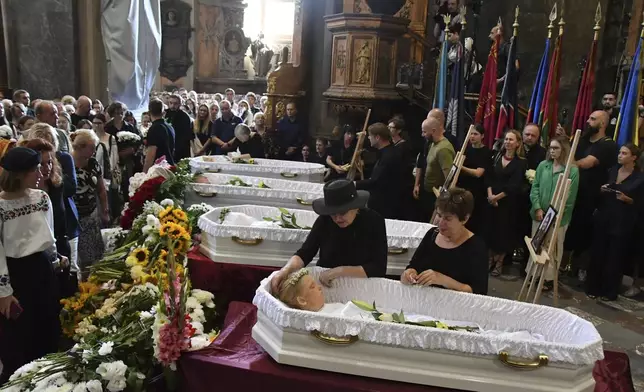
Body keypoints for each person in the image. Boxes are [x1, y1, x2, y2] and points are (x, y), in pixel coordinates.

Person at [0, 147, 62, 382]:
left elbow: (49, 235)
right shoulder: (1, 206)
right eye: (35, 169)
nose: (41, 173)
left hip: (42, 268)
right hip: (15, 273)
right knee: (19, 336)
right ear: (19, 174)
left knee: (47, 324)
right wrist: (4, 292)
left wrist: (55, 262)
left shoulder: (41, 198)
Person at [270, 180, 387, 293]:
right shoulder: (325, 220)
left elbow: (378, 268)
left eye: (342, 213)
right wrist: (285, 270)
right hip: (326, 285)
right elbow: (305, 253)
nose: (337, 218)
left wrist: (339, 271)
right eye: (333, 213)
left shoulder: (374, 221)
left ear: (355, 207)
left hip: (362, 287)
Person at [401, 188, 488, 295]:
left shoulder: (476, 247)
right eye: (439, 215)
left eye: (448, 218)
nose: (440, 223)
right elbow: (413, 266)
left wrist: (442, 279)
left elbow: (478, 292)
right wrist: (409, 273)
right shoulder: (431, 235)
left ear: (464, 219)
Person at [586, 143, 644, 301]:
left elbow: (640, 203)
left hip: (622, 222)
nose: (620, 155)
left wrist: (628, 199)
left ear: (634, 157)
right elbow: (601, 191)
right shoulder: (612, 170)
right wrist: (602, 190)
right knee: (598, 253)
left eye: (624, 153)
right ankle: (593, 287)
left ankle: (609, 291)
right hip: (604, 217)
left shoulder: (639, 178)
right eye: (620, 152)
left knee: (614, 258)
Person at [564, 111, 617, 281]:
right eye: (588, 118)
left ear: (602, 124)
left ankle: (581, 268)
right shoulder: (582, 140)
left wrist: (569, 163)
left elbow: (587, 163)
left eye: (592, 119)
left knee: (585, 234)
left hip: (591, 198)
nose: (588, 121)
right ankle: (563, 265)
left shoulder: (607, 145)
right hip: (573, 193)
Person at [527, 136, 579, 291]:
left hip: (558, 217)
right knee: (537, 243)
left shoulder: (572, 170)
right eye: (550, 147)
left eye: (556, 148)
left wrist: (558, 216)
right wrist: (537, 207)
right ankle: (534, 275)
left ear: (564, 150)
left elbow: (570, 197)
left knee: (553, 247)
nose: (552, 151)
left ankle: (548, 279)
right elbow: (535, 187)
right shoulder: (544, 165)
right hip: (540, 214)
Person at [485, 130, 527, 277]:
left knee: (504, 233)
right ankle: (489, 260)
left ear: (517, 143)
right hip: (491, 201)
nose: (508, 142)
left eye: (511, 140)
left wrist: (497, 198)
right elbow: (488, 177)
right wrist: (490, 196)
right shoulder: (496, 157)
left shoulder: (520, 163)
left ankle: (499, 263)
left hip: (507, 204)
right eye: (506, 139)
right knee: (490, 231)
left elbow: (514, 185)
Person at [71, 130, 108, 279]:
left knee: (96, 252)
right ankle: (85, 282)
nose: (94, 151)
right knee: (83, 255)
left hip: (91, 213)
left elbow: (101, 189)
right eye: (92, 147)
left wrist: (105, 210)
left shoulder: (93, 164)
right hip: (75, 217)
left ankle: (94, 280)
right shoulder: (68, 165)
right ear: (80, 147)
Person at [355, 122, 405, 219]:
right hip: (384, 200)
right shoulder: (388, 151)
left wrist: (354, 184)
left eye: (370, 136)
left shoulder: (389, 155)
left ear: (377, 137)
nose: (369, 138)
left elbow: (376, 181)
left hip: (384, 203)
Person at [417, 116, 456, 216]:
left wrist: (442, 199)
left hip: (436, 196)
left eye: (424, 132)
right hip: (428, 193)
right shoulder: (433, 144)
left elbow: (449, 178)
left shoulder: (443, 149)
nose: (422, 135)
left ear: (433, 131)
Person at [457, 124, 492, 234]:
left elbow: (478, 173)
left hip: (476, 192)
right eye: (471, 134)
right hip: (463, 189)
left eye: (475, 134)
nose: (472, 136)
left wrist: (460, 166)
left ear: (482, 136)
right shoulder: (465, 150)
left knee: (473, 222)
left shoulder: (486, 152)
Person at [144, 98, 176, 171]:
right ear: (163, 112)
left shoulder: (154, 128)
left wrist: (144, 175)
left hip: (158, 170)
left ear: (149, 112)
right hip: (170, 166)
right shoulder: (170, 127)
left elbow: (150, 155)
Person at [165, 94, 193, 161]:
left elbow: (186, 136)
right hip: (166, 147)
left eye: (175, 104)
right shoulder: (164, 113)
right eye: (171, 103)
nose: (172, 106)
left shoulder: (185, 117)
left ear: (180, 104)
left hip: (180, 149)